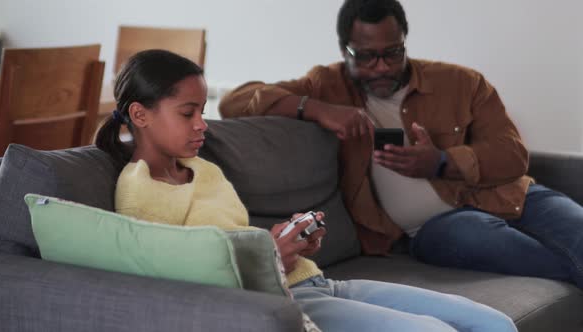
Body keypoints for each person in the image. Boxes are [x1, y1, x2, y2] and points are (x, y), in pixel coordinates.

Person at [94, 49, 517, 332]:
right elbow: (169, 285)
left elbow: (229, 239)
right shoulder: (139, 192)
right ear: (140, 114)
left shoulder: (203, 170)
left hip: (318, 282)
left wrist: (285, 239)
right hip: (280, 300)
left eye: (202, 111)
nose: (202, 123)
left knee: (494, 323)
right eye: (188, 113)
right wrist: (267, 257)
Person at [218, 0, 583, 289]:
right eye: (365, 56)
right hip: (436, 229)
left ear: (405, 42)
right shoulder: (326, 85)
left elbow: (513, 154)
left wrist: (442, 162)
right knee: (478, 236)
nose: (380, 67)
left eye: (392, 53)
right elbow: (236, 101)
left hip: (514, 196)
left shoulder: (461, 83)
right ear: (345, 50)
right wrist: (316, 109)